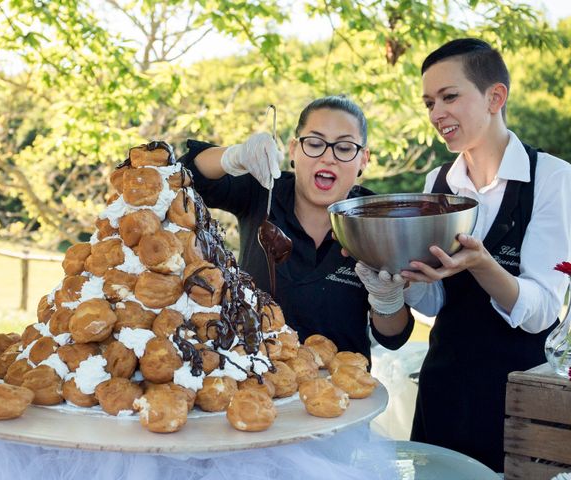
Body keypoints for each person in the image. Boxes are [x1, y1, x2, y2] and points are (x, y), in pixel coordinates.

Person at [395, 38, 571, 472]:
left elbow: (543, 311)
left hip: (516, 400)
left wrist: (483, 264)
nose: (437, 113)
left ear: (496, 97)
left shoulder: (551, 178)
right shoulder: (437, 182)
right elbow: (435, 303)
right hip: (442, 390)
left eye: (449, 96)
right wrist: (403, 278)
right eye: (429, 102)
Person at [178, 96, 414, 365]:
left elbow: (393, 337)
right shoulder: (263, 191)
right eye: (314, 144)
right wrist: (234, 156)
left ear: (363, 159)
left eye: (345, 148)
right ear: (293, 150)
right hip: (256, 384)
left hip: (342, 396)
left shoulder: (376, 222)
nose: (328, 157)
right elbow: (185, 174)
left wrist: (387, 299)